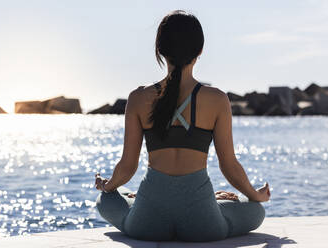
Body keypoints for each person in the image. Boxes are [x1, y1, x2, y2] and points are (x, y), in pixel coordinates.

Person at [95, 9, 270, 242]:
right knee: (255, 209)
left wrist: (107, 186)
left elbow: (127, 167)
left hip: (147, 224)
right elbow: (229, 166)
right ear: (199, 51)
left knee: (107, 199)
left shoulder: (138, 98)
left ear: (160, 50)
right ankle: (211, 201)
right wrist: (255, 194)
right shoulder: (217, 99)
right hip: (204, 225)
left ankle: (138, 198)